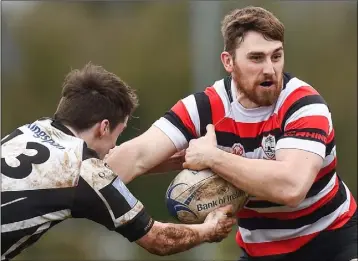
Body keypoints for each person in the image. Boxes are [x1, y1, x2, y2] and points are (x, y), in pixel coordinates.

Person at [105, 6, 357, 261]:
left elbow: (291, 188)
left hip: (332, 242)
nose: (270, 69)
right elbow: (136, 155)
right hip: (259, 252)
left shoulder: (303, 105)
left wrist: (213, 158)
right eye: (257, 58)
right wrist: (78, 181)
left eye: (276, 56)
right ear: (228, 61)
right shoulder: (204, 108)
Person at [1, 63, 237, 261]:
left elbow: (93, 177)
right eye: (118, 134)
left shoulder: (30, 131)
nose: (114, 146)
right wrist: (208, 230)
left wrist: (167, 161)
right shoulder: (85, 170)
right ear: (104, 127)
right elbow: (158, 240)